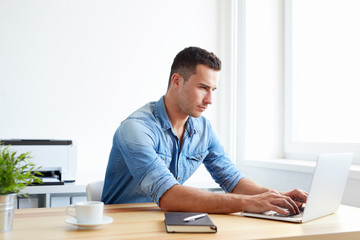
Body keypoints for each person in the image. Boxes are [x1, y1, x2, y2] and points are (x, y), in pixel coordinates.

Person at [102, 46, 308, 215]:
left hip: (169, 222)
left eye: (213, 90)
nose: (209, 100)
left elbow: (232, 179)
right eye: (203, 88)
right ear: (176, 81)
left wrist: (278, 196)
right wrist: (247, 202)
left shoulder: (203, 129)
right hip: (123, 227)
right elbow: (169, 196)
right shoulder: (136, 129)